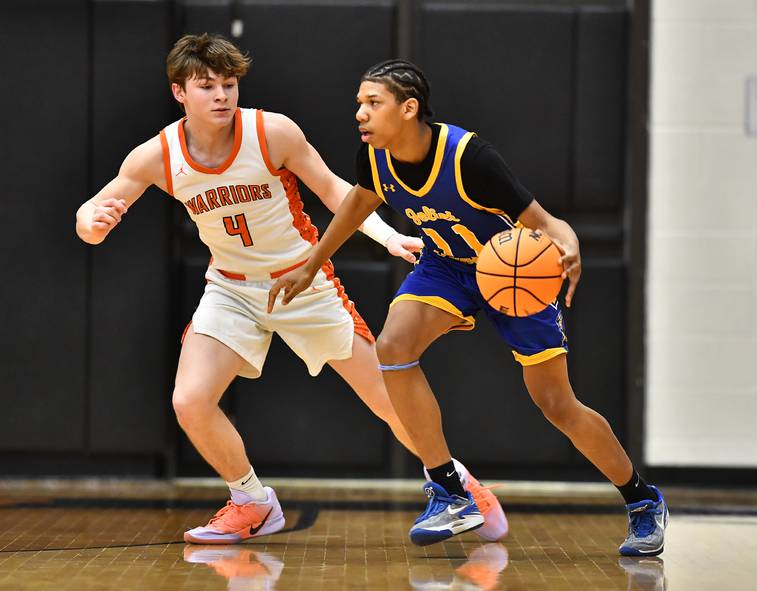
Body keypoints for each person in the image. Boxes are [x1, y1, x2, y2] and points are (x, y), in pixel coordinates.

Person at [75, 37, 506, 545]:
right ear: (179, 92)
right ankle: (251, 502)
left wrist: (389, 237)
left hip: (303, 282)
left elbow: (333, 189)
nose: (221, 96)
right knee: (190, 400)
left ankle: (458, 484)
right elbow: (98, 206)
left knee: (387, 401)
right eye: (206, 86)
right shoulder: (158, 154)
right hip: (231, 290)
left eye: (229, 85)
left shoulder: (271, 131)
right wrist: (91, 223)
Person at [269, 59, 669, 554]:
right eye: (359, 104)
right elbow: (355, 205)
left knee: (556, 404)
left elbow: (546, 221)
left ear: (409, 107)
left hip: (510, 270)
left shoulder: (470, 158)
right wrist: (311, 263)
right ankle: (450, 491)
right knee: (392, 345)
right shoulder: (373, 158)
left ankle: (642, 501)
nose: (360, 113)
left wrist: (569, 245)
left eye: (373, 103)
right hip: (448, 267)